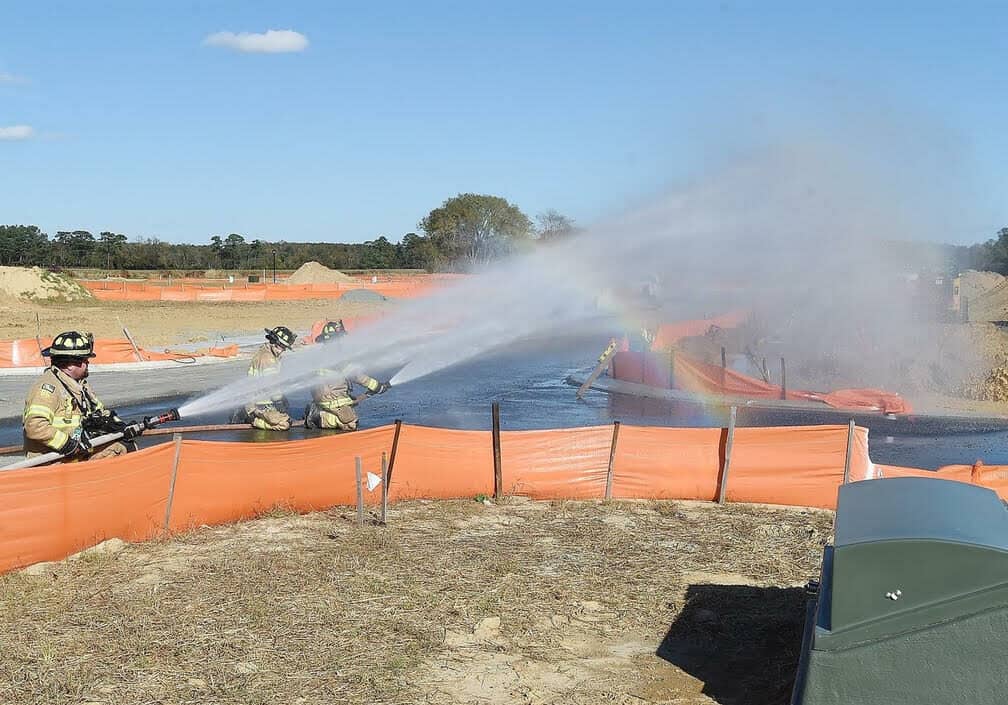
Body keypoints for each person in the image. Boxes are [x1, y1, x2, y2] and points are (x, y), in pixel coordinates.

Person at [22, 331, 136, 462]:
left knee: (125, 447)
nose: (88, 363)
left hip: (77, 455)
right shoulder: (48, 389)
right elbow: (35, 426)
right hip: (53, 461)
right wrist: (66, 443)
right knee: (116, 454)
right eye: (84, 360)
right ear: (70, 364)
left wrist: (120, 426)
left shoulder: (80, 386)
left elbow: (99, 412)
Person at [304, 320, 390, 431]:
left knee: (348, 414)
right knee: (351, 423)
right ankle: (318, 416)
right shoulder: (335, 356)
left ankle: (321, 410)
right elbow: (355, 376)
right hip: (332, 399)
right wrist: (377, 386)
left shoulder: (323, 353)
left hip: (324, 396)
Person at [243, 326, 297, 431]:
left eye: (284, 348)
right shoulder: (268, 360)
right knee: (285, 424)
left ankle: (259, 417)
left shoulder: (265, 351)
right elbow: (270, 384)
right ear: (273, 342)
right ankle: (254, 420)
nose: (281, 350)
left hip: (261, 401)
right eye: (279, 346)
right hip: (259, 404)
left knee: (284, 417)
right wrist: (278, 400)